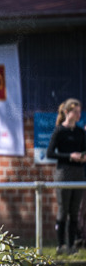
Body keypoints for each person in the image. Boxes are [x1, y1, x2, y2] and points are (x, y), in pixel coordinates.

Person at [46, 98, 85, 255]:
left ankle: (71, 245)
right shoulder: (59, 131)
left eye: (79, 111)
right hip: (64, 173)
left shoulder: (80, 132)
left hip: (79, 173)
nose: (78, 114)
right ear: (67, 112)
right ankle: (61, 244)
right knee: (63, 209)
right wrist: (69, 156)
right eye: (75, 111)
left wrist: (82, 157)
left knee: (75, 210)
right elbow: (50, 153)